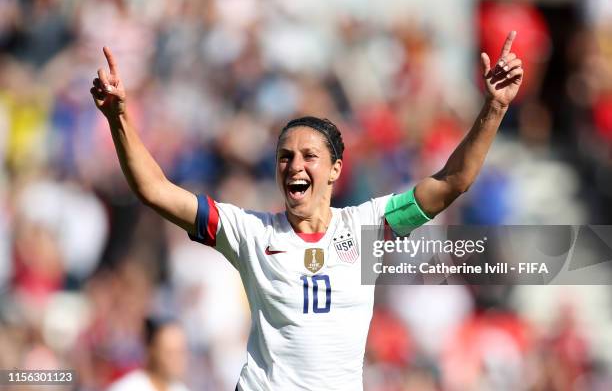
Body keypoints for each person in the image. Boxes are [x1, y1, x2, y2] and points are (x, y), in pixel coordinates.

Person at [91, 31, 523, 391]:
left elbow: (452, 181)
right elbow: (154, 189)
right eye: (284, 156)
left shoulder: (370, 226)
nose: (294, 165)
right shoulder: (251, 233)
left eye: (308, 156)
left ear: (335, 169)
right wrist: (119, 118)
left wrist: (495, 107)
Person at [107, 318, 190, 391]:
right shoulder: (128, 388)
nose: (177, 360)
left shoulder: (180, 388)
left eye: (181, 352)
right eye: (169, 353)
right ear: (153, 351)